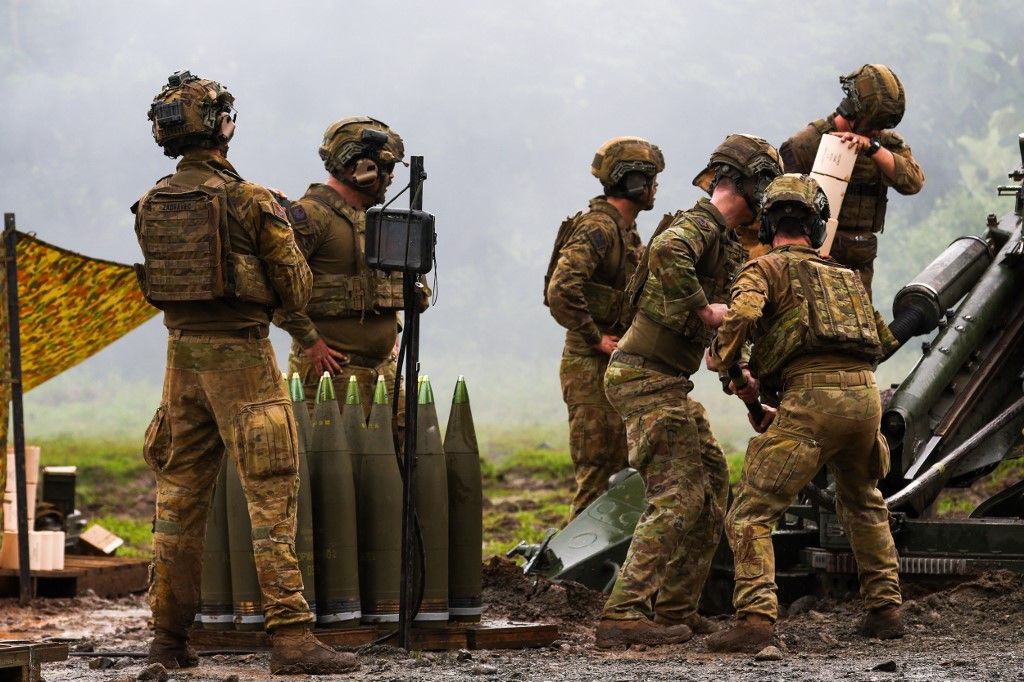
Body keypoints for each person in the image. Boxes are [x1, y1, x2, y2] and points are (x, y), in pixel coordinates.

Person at [134, 71, 357, 675]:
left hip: (181, 363)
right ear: (221, 126)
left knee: (177, 504)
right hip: (244, 359)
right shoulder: (250, 199)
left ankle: (166, 642)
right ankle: (291, 639)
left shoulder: (153, 200)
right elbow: (296, 285)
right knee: (271, 498)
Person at [594, 134, 782, 648]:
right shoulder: (698, 224)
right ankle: (624, 613)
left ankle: (675, 607)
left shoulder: (723, 241)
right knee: (678, 496)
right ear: (747, 181)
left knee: (713, 489)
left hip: (667, 382)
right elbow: (667, 251)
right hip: (645, 377)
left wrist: (749, 399)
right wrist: (702, 309)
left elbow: (728, 334)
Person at [706, 174, 904, 653]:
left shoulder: (763, 269)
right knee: (863, 502)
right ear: (816, 227)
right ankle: (886, 610)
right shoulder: (845, 276)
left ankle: (755, 620)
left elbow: (744, 318)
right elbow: (883, 340)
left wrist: (731, 369)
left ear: (769, 222)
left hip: (811, 401)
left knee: (751, 513)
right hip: (865, 398)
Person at [544, 137, 664, 518]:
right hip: (590, 367)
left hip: (614, 365)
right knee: (597, 475)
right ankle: (574, 572)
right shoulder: (599, 229)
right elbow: (561, 289)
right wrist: (595, 339)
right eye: (650, 180)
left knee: (623, 471)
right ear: (634, 184)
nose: (655, 188)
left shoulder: (625, 231)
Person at [276, 117, 421, 424]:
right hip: (330, 376)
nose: (392, 176)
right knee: (331, 467)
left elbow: (382, 285)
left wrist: (391, 328)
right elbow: (274, 291)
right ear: (363, 170)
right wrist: (312, 343)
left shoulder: (373, 221)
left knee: (391, 464)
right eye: (387, 167)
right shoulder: (310, 217)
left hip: (384, 373)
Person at [779, 63, 925, 294]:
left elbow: (913, 182)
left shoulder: (883, 145)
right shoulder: (806, 144)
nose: (878, 131)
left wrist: (873, 148)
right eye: (874, 125)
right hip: (811, 261)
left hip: (860, 264)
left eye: (882, 126)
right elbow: (779, 210)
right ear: (852, 110)